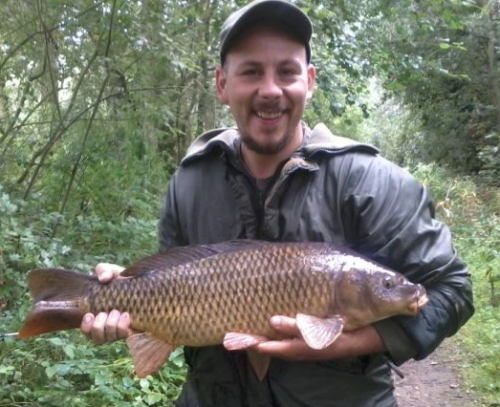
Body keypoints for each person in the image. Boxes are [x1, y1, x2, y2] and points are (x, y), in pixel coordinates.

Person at [81, 1, 474, 406]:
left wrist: (350, 342)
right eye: (251, 71)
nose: (270, 90)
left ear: (309, 80)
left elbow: (453, 291)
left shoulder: (373, 181)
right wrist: (126, 292)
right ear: (222, 84)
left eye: (286, 71)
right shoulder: (189, 182)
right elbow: (173, 284)